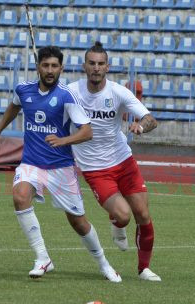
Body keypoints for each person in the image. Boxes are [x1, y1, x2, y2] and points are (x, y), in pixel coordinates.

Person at [0, 46, 121, 283]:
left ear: (62, 68)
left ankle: (104, 264)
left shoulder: (66, 96)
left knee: (78, 221)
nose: (50, 71)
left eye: (55, 66)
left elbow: (87, 131)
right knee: (19, 196)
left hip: (61, 167)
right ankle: (42, 258)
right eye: (46, 66)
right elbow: (14, 106)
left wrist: (64, 140)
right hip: (31, 163)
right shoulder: (23, 90)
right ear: (38, 67)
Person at [68, 42, 161, 282]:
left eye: (100, 64)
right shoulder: (71, 92)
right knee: (123, 215)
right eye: (92, 63)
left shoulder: (118, 92)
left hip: (123, 160)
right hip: (95, 168)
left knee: (143, 213)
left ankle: (144, 269)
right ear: (84, 66)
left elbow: (150, 119)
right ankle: (117, 224)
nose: (96, 68)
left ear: (107, 67)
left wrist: (140, 126)